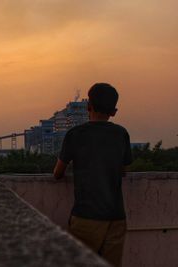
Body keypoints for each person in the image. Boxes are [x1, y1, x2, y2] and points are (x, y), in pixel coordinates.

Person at [53, 83, 133, 267]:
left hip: (86, 218)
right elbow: (124, 171)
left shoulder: (75, 135)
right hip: (116, 219)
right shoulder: (121, 134)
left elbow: (58, 174)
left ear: (88, 106)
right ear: (114, 111)